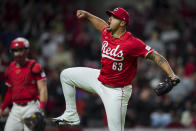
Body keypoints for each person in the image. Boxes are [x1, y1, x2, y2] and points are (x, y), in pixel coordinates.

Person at [52, 7, 179, 131]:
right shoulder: (107, 32)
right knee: (66, 75)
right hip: (99, 79)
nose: (110, 19)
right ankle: (71, 113)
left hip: (117, 91)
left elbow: (156, 57)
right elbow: (100, 24)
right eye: (110, 16)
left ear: (123, 22)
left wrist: (172, 75)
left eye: (114, 17)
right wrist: (88, 15)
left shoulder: (132, 43)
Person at [0, 37, 48, 131]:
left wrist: (41, 109)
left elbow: (42, 89)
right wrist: (2, 108)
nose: (18, 53)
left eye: (20, 50)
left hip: (31, 107)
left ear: (26, 50)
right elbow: (10, 92)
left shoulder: (35, 66)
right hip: (15, 109)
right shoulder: (9, 69)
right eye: (15, 50)